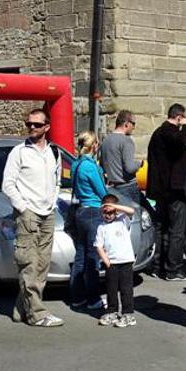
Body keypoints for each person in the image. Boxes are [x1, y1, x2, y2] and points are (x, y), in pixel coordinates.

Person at [2, 109, 63, 327]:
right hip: (28, 214)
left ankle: (21, 309)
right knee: (28, 263)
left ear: (47, 127)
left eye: (37, 124)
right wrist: (23, 208)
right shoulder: (19, 152)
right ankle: (37, 313)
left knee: (42, 265)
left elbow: (57, 180)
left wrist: (53, 201)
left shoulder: (54, 151)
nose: (32, 128)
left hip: (48, 213)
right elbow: (7, 184)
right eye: (29, 124)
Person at [147, 103, 186, 281]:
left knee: (162, 227)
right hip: (174, 189)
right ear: (179, 117)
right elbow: (179, 142)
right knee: (177, 230)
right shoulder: (170, 133)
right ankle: (173, 269)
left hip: (161, 189)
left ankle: (157, 265)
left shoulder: (158, 133)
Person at [69, 131, 107, 311]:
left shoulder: (76, 164)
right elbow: (102, 191)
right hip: (93, 211)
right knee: (92, 258)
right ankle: (93, 299)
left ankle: (77, 296)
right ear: (94, 146)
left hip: (80, 210)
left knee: (80, 256)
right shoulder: (90, 166)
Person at [96, 194, 138, 327]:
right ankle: (112, 311)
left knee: (126, 288)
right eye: (105, 212)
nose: (108, 215)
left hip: (126, 261)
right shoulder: (101, 227)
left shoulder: (122, 220)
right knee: (111, 289)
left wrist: (114, 206)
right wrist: (106, 261)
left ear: (116, 211)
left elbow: (131, 211)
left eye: (111, 212)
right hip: (112, 263)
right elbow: (98, 246)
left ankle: (128, 314)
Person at [100, 110, 145, 205]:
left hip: (112, 188)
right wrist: (140, 163)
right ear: (126, 124)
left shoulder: (106, 140)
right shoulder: (126, 141)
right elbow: (130, 168)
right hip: (128, 187)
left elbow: (102, 166)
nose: (134, 127)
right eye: (133, 124)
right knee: (139, 213)